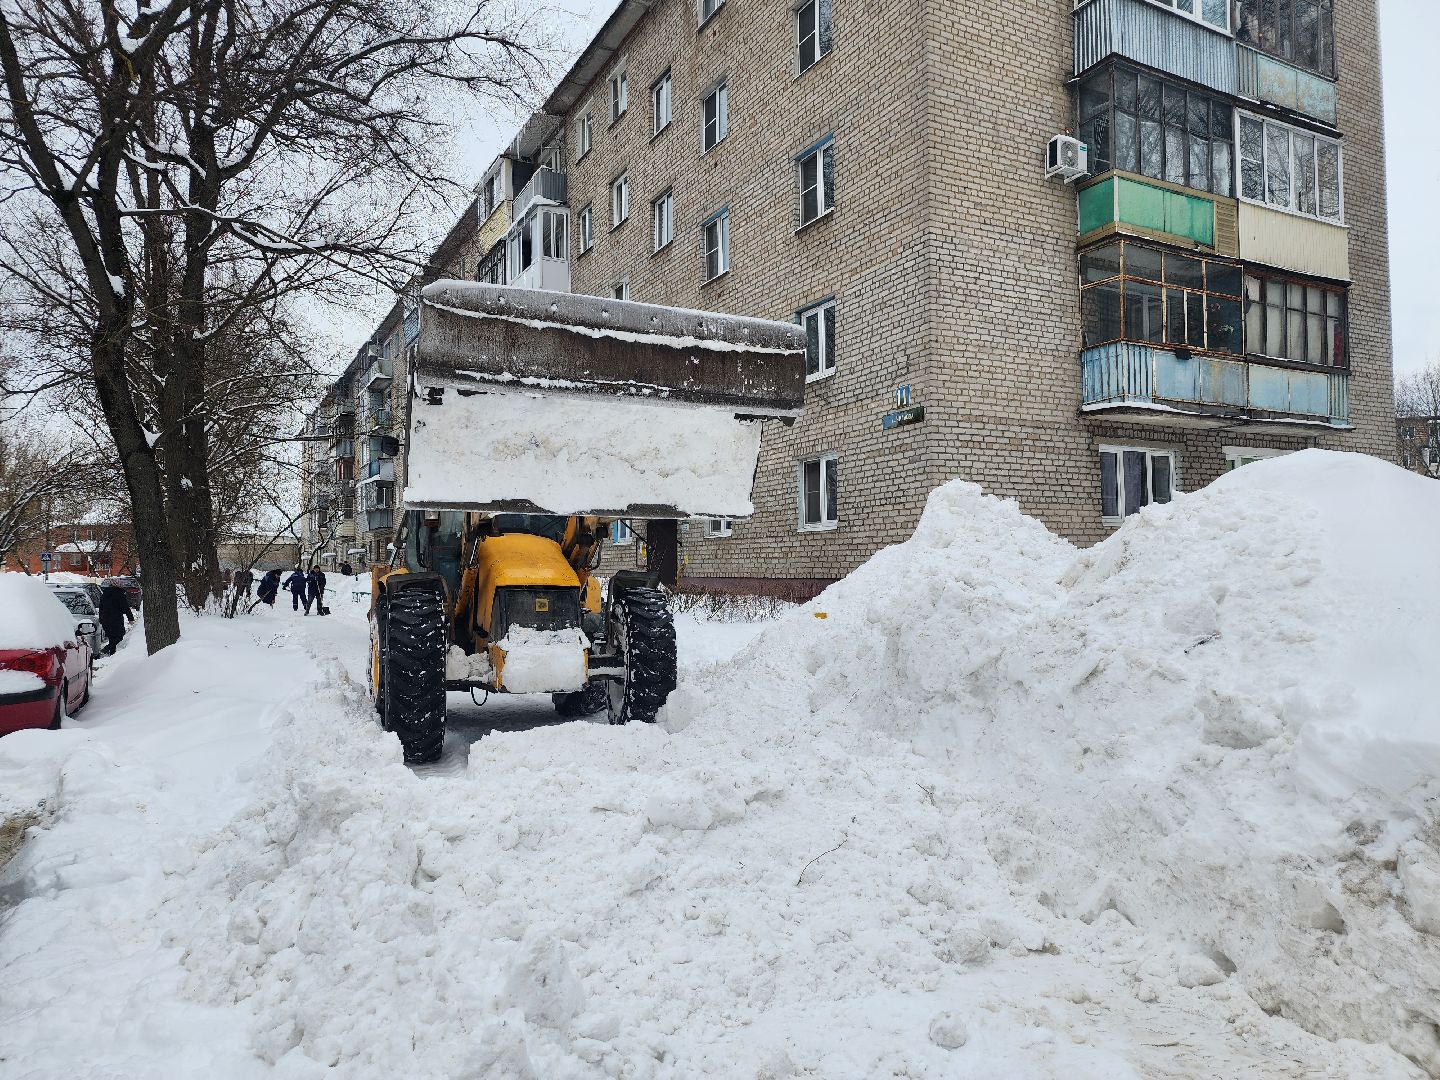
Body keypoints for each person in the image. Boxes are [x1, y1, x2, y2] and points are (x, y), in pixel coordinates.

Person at [97, 581, 135, 656]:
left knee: (111, 637)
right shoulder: (119, 594)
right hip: (116, 619)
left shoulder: (104, 594)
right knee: (119, 636)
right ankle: (107, 649)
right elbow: (125, 607)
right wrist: (130, 618)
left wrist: (101, 619)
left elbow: (101, 607)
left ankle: (112, 654)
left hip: (105, 619)